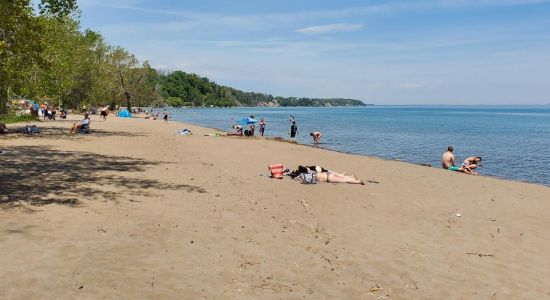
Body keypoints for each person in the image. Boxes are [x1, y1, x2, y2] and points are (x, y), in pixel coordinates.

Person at [288, 165, 364, 184]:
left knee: (344, 180)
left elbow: (298, 179)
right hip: (327, 174)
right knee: (342, 178)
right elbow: (306, 169)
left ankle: (358, 181)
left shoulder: (306, 176)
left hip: (328, 178)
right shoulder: (310, 171)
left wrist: (294, 177)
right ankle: (353, 178)